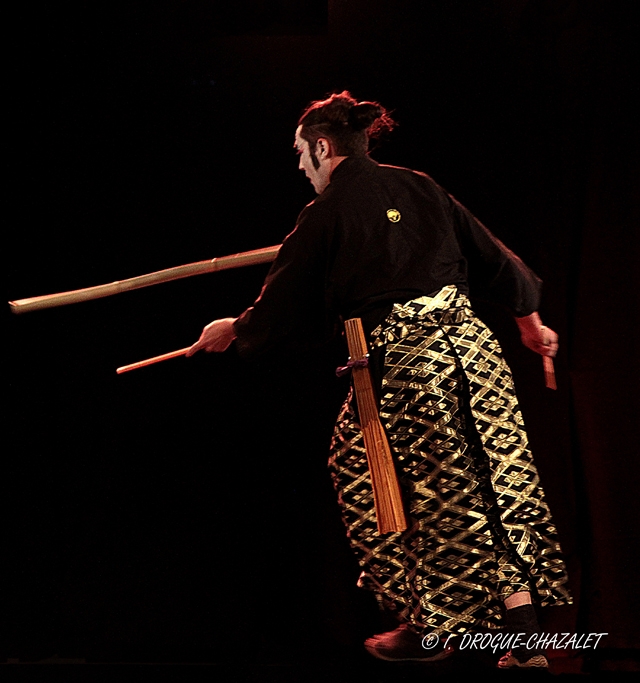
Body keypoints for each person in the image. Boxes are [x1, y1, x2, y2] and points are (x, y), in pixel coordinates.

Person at [187, 91, 572, 669]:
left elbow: (282, 299)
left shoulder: (329, 210)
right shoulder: (420, 185)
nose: (298, 167)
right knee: (484, 482)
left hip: (412, 366)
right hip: (475, 356)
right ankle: (481, 631)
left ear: (322, 146)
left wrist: (234, 330)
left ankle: (458, 631)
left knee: (420, 487)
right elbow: (495, 258)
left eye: (300, 153)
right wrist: (530, 321)